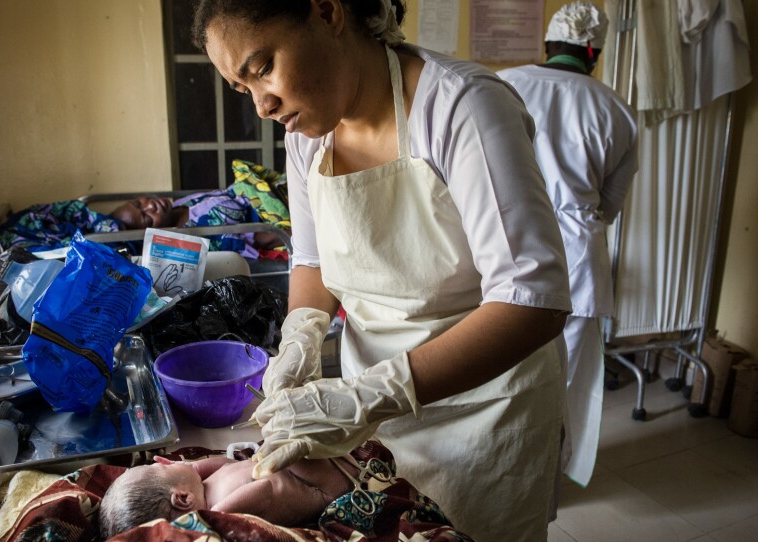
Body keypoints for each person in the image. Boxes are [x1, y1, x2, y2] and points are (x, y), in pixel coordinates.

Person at [192, 1, 572, 540]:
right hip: (372, 420)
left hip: (486, 411)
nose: (262, 104)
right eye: (242, 88)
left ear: (326, 13)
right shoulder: (305, 138)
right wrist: (300, 337)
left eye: (264, 68)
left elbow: (534, 299)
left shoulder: (461, 107)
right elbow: (313, 260)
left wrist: (372, 394)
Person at [498, 1, 639, 489]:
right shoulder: (617, 110)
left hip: (505, 249)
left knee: (504, 371)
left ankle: (501, 471)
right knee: (570, 379)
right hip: (579, 258)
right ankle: (551, 480)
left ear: (548, 45)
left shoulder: (502, 84)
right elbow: (610, 204)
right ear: (593, 51)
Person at [99, 451, 360, 538]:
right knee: (288, 434)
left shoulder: (204, 484)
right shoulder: (220, 513)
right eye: (160, 466)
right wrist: (216, 515)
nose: (164, 460)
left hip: (302, 470)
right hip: (323, 487)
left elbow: (227, 462)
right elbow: (264, 489)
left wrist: (195, 467)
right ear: (183, 498)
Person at [0, 189, 284, 256]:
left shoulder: (180, 205)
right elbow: (264, 238)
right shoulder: (193, 235)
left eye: (138, 202)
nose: (151, 205)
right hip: (274, 218)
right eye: (147, 216)